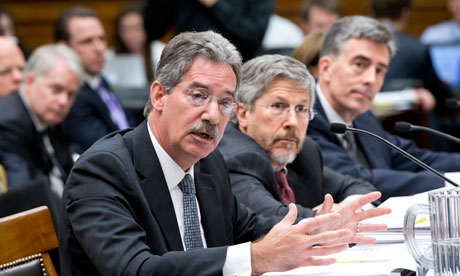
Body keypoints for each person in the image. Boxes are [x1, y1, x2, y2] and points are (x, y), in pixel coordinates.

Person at [58, 30, 387, 276]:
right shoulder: (102, 170)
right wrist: (257, 258)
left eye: (225, 102)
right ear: (159, 96)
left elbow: (249, 227)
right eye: (199, 95)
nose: (213, 115)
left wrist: (321, 225)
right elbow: (135, 269)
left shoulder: (207, 163)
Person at [307, 16, 460, 201]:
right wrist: (449, 183)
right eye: (359, 64)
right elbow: (356, 179)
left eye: (379, 70)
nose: (371, 79)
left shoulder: (364, 118)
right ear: (326, 68)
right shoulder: (302, 117)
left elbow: (415, 159)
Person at [218, 54, 385, 220]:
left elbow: (359, 187)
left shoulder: (306, 152)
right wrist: (335, 216)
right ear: (243, 114)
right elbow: (279, 219)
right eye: (278, 106)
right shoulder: (237, 158)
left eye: (301, 109)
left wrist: (348, 207)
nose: (292, 122)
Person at [0, 43, 83, 194]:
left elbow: (70, 175)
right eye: (56, 89)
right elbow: (25, 194)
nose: (63, 101)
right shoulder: (10, 121)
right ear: (30, 81)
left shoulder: (49, 118)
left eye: (71, 94)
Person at [55, 6, 134, 154]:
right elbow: (103, 148)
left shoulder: (98, 79)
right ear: (64, 48)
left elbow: (125, 122)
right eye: (87, 41)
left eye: (101, 39)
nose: (99, 48)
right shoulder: (70, 95)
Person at [369, 0, 449, 115]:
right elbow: (441, 94)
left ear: (371, 13)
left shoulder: (355, 47)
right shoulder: (417, 48)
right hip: (411, 126)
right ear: (405, 14)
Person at [143, 0, 274, 61]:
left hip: (236, 72)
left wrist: (215, 4)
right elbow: (152, 30)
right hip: (186, 66)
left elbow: (253, 37)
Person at [112, 4, 154, 81]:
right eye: (123, 29)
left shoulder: (160, 52)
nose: (129, 35)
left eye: (135, 28)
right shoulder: (110, 56)